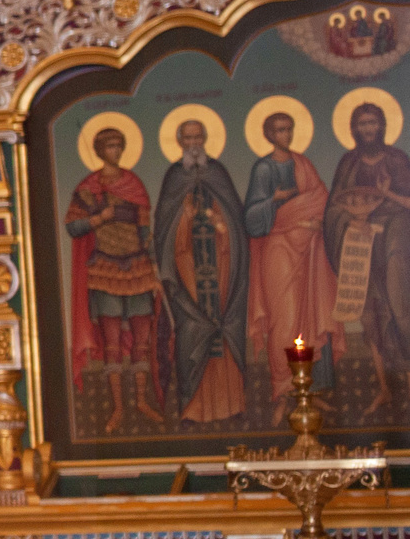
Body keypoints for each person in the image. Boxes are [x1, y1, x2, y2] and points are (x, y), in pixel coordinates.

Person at [67, 124, 167, 429]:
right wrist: (100, 218)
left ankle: (141, 401)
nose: (115, 151)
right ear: (99, 151)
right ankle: (118, 407)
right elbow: (73, 227)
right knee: (110, 342)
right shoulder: (87, 188)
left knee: (142, 340)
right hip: (105, 269)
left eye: (118, 146)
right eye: (109, 146)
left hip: (136, 268)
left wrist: (153, 264)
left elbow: (144, 228)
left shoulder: (133, 184)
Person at [153, 117, 249, 423]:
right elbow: (164, 230)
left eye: (199, 138)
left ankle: (232, 405)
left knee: (224, 327)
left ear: (205, 139)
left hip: (221, 267)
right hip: (187, 269)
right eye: (188, 139)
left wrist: (217, 220)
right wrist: (186, 216)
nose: (194, 144)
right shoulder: (173, 177)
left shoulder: (218, 172)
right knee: (193, 330)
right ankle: (193, 408)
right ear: (180, 143)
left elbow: (234, 222)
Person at [324, 99, 410, 419]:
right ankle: (384, 387)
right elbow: (335, 207)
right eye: (362, 124)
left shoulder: (397, 159)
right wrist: (351, 221)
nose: (368, 129)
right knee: (371, 309)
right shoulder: (348, 163)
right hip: (363, 239)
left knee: (400, 302)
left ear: (383, 125)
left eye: (373, 122)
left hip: (398, 234)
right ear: (354, 129)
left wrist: (385, 195)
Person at [244, 108, 334, 398]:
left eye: (288, 128)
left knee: (309, 315)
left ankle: (308, 392)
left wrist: (314, 222)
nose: (286, 134)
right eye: (280, 130)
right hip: (279, 250)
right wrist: (275, 201)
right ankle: (283, 388)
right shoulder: (263, 169)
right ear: (270, 135)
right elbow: (252, 218)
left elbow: (321, 200)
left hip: (307, 250)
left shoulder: (303, 163)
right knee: (284, 318)